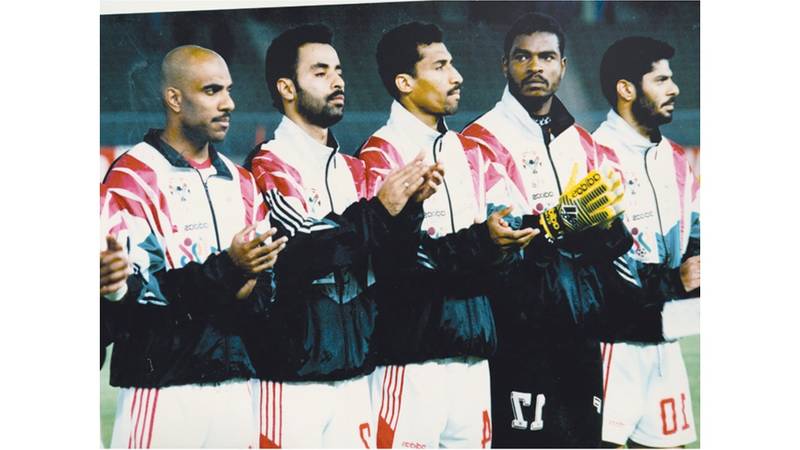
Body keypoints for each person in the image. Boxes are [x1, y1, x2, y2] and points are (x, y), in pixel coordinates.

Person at [462, 13, 692, 448]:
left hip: (582, 336)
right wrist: (565, 220)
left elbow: (611, 239)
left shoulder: (583, 143)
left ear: (563, 66)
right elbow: (502, 241)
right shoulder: (478, 141)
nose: (536, 67)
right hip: (518, 339)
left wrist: (597, 227)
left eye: (547, 57)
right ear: (504, 64)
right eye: (523, 57)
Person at [244, 25, 441, 448]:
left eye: (338, 71)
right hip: (290, 382)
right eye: (320, 72)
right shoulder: (266, 165)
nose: (337, 81)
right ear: (286, 87)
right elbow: (301, 247)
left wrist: (410, 211)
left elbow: (390, 265)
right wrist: (380, 211)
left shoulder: (355, 170)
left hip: (357, 376)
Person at [358, 22, 540, 448]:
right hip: (411, 362)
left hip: (473, 357)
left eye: (452, 64)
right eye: (440, 66)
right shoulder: (380, 154)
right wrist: (483, 245)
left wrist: (511, 240)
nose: (456, 76)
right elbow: (399, 263)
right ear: (404, 82)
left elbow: (506, 242)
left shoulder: (473, 153)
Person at [103, 45, 286, 448]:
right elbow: (144, 297)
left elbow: (265, 290)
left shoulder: (241, 182)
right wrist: (232, 270)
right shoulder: (133, 179)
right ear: (174, 98)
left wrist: (246, 279)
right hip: (162, 393)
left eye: (228, 90)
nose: (229, 103)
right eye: (212, 90)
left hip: (236, 390)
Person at [593, 36, 700, 449]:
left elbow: (696, 231)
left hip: (665, 339)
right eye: (661, 80)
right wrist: (675, 280)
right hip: (612, 344)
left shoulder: (674, 158)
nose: (674, 89)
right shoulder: (593, 157)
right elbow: (598, 266)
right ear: (626, 89)